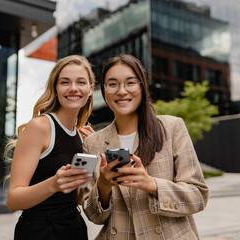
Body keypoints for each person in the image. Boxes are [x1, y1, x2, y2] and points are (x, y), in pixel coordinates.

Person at [82, 55, 208, 239]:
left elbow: (198, 196)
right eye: (113, 84)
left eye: (130, 83)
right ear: (104, 91)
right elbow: (94, 216)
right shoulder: (92, 143)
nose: (122, 91)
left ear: (142, 87)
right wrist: (103, 185)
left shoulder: (172, 127)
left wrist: (151, 184)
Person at [5, 55, 95, 240]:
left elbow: (77, 198)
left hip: (74, 228)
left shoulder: (81, 136)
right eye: (65, 82)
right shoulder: (40, 127)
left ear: (90, 89)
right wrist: (53, 184)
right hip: (41, 231)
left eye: (81, 82)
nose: (73, 88)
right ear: (55, 88)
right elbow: (13, 201)